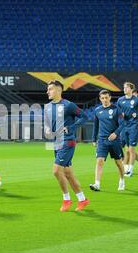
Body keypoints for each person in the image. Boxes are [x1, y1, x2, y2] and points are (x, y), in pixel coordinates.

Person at [44, 80, 90, 212]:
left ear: (59, 90)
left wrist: (71, 127)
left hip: (67, 142)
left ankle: (66, 199)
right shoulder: (47, 107)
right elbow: (47, 122)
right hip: (56, 142)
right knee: (68, 174)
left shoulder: (68, 105)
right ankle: (82, 199)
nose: (48, 92)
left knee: (56, 171)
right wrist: (47, 129)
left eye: (50, 89)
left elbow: (84, 116)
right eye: (48, 89)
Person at [90, 90, 125, 192]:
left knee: (118, 162)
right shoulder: (97, 110)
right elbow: (95, 125)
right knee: (99, 161)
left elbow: (122, 123)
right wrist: (93, 139)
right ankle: (97, 184)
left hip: (115, 141)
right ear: (100, 99)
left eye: (106, 97)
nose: (105, 100)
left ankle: (122, 180)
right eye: (102, 98)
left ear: (110, 98)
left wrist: (116, 133)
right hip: (102, 140)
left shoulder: (116, 109)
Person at [117, 82, 138, 177]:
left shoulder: (137, 100)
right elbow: (117, 113)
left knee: (131, 149)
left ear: (131, 89)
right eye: (124, 87)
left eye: (126, 87)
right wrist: (121, 115)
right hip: (124, 126)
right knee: (127, 150)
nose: (124, 89)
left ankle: (129, 170)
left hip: (134, 126)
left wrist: (137, 116)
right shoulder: (120, 100)